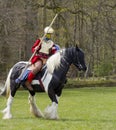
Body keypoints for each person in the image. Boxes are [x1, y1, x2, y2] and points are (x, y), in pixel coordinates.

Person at [16, 26, 60, 91]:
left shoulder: (51, 43)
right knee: (37, 67)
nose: (49, 35)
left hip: (47, 59)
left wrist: (56, 51)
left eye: (50, 34)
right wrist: (35, 48)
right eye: (48, 34)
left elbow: (52, 52)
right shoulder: (40, 40)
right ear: (45, 33)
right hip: (39, 57)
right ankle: (28, 82)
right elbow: (33, 49)